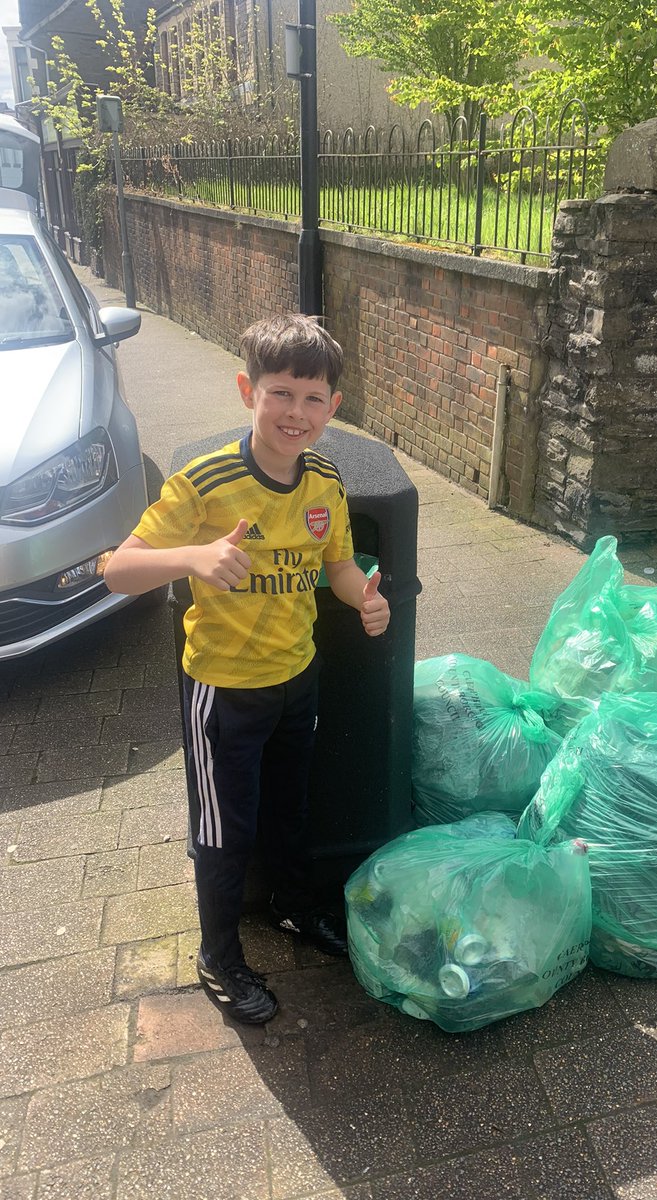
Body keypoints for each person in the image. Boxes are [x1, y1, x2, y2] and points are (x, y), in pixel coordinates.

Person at [104, 313, 390, 1024]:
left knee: (291, 807)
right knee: (223, 829)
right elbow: (117, 570)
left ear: (334, 407)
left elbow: (340, 566)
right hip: (225, 691)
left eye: (312, 398)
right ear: (247, 391)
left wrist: (364, 600)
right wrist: (193, 558)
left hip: (298, 678)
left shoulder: (324, 480)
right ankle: (219, 955)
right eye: (281, 394)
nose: (296, 413)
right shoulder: (206, 480)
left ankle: (293, 909)